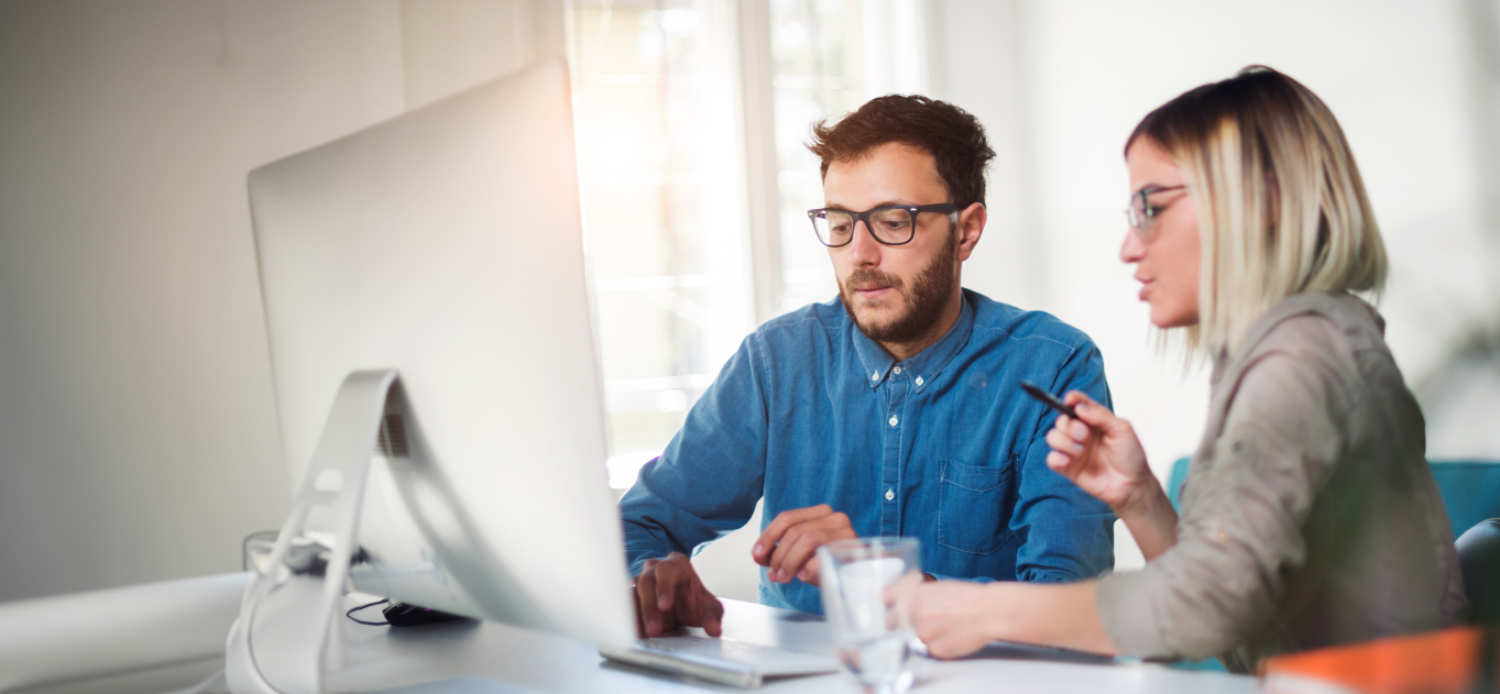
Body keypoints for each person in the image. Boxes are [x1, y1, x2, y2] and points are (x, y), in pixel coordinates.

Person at [910, 66, 1469, 672]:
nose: (1129, 246)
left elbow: (1206, 608)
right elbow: (1237, 616)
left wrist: (982, 611)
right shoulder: (1290, 347)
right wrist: (1141, 497)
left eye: (1152, 206)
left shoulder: (1302, 359)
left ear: (1264, 199)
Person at [620, 95, 1117, 638]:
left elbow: (1075, 613)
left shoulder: (1053, 367)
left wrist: (881, 579)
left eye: (892, 221)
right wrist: (652, 580)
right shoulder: (777, 362)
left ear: (967, 231)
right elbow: (641, 522)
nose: (859, 254)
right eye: (839, 223)